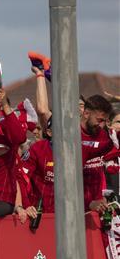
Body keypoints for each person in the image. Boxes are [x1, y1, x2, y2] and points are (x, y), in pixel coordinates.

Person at [34, 67, 117, 212]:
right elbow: (42, 111)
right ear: (86, 114)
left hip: (99, 209)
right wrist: (40, 76)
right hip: (73, 210)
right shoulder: (67, 133)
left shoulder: (105, 136)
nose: (102, 125)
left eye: (105, 121)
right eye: (99, 120)